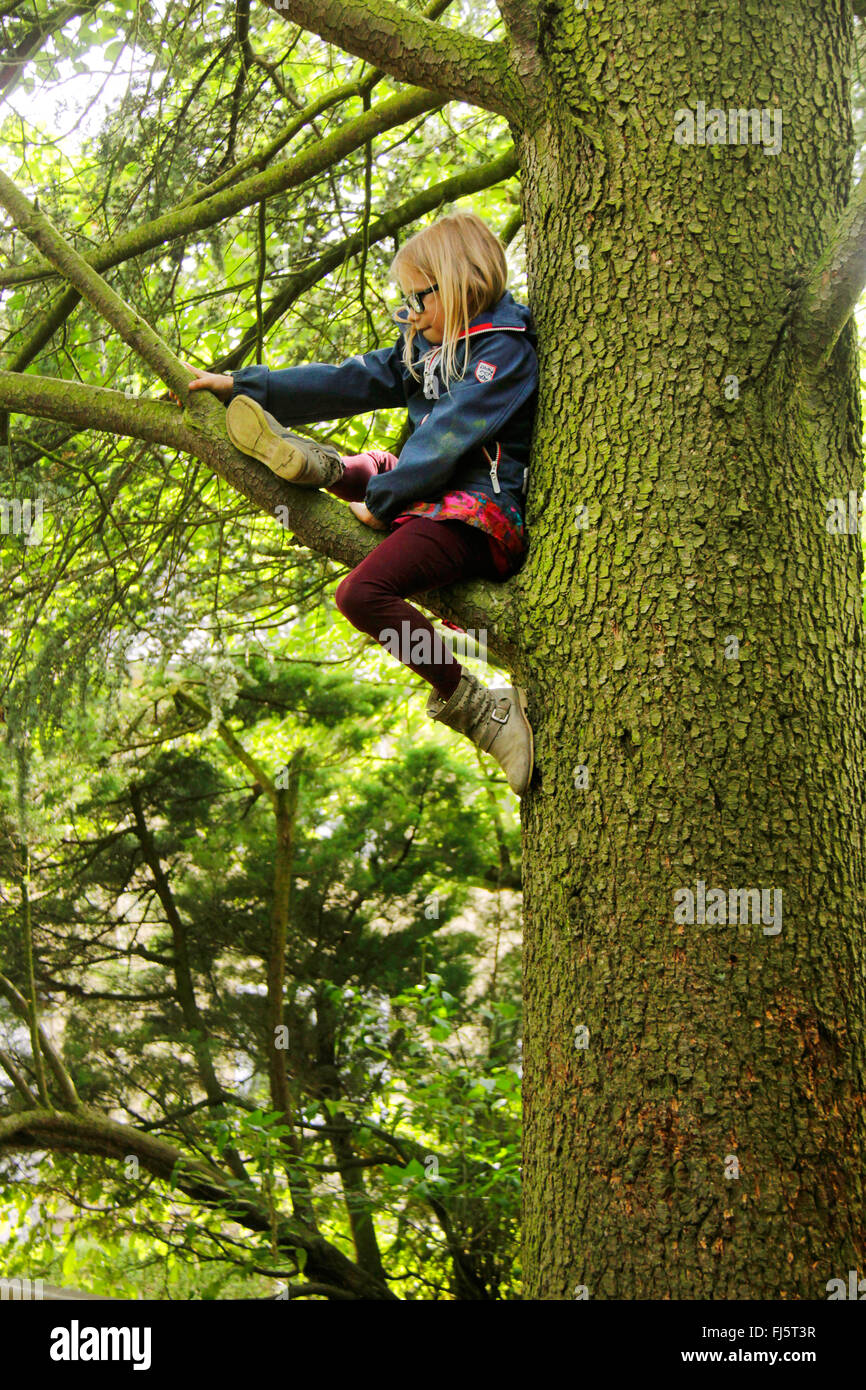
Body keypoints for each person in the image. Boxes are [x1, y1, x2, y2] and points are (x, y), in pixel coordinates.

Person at [179, 211, 538, 796]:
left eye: (417, 299)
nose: (410, 314)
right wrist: (245, 387)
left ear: (460, 282)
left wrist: (382, 500)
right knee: (377, 465)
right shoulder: (429, 344)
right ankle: (322, 465)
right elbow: (349, 379)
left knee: (360, 594)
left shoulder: (503, 351)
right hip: (425, 491)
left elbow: (449, 431)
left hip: (473, 514)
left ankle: (479, 706)